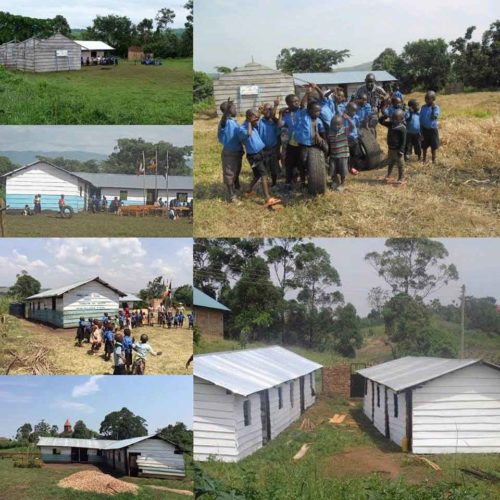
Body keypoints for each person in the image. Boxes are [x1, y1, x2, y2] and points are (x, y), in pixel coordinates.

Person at [239, 108, 281, 207]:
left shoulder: (253, 125)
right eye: (256, 118)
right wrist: (250, 122)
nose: (258, 121)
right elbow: (248, 134)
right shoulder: (242, 129)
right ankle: (267, 198)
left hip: (260, 153)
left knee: (257, 175)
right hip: (254, 156)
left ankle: (249, 190)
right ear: (249, 118)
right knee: (263, 174)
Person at [218, 99, 243, 202]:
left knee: (237, 170)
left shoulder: (234, 121)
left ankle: (236, 184)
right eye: (233, 108)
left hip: (238, 150)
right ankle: (231, 194)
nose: (235, 109)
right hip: (230, 152)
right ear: (228, 111)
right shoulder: (224, 122)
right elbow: (223, 122)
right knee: (229, 173)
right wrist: (226, 112)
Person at [279, 94, 302, 187]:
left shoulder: (302, 111)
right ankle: (288, 182)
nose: (297, 103)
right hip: (291, 144)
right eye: (294, 101)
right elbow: (280, 125)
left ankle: (302, 180)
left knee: (301, 162)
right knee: (289, 163)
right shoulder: (287, 115)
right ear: (288, 104)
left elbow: (304, 104)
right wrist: (280, 113)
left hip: (302, 142)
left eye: (298, 101)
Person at [379, 108, 407, 185]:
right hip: (391, 148)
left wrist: (401, 150)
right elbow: (381, 121)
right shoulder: (391, 124)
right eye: (393, 118)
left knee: (400, 164)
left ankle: (401, 178)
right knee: (390, 162)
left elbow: (404, 141)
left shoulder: (402, 128)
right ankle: (388, 175)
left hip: (398, 150)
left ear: (401, 119)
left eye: (396, 119)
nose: (394, 120)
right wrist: (385, 116)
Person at [257, 99, 281, 186]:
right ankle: (265, 184)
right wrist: (259, 112)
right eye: (266, 109)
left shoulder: (275, 122)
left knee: (274, 168)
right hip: (263, 150)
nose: (268, 111)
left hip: (273, 149)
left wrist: (275, 106)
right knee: (264, 168)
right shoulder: (259, 122)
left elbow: (279, 137)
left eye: (270, 109)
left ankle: (274, 183)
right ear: (263, 111)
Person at [328, 115, 350, 192]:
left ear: (342, 124)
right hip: (333, 155)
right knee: (332, 169)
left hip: (343, 155)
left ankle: (342, 183)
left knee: (342, 170)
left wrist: (348, 119)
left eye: (338, 124)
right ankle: (335, 181)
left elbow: (353, 127)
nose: (336, 126)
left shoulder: (345, 130)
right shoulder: (330, 132)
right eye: (334, 124)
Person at [420, 91, 440, 164]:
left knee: (433, 146)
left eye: (428, 99)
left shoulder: (436, 108)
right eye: (425, 98)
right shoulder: (423, 107)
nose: (426, 100)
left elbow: (433, 117)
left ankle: (433, 159)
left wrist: (432, 109)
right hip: (424, 129)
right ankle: (424, 159)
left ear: (433, 99)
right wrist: (420, 128)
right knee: (424, 145)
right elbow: (420, 118)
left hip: (432, 130)